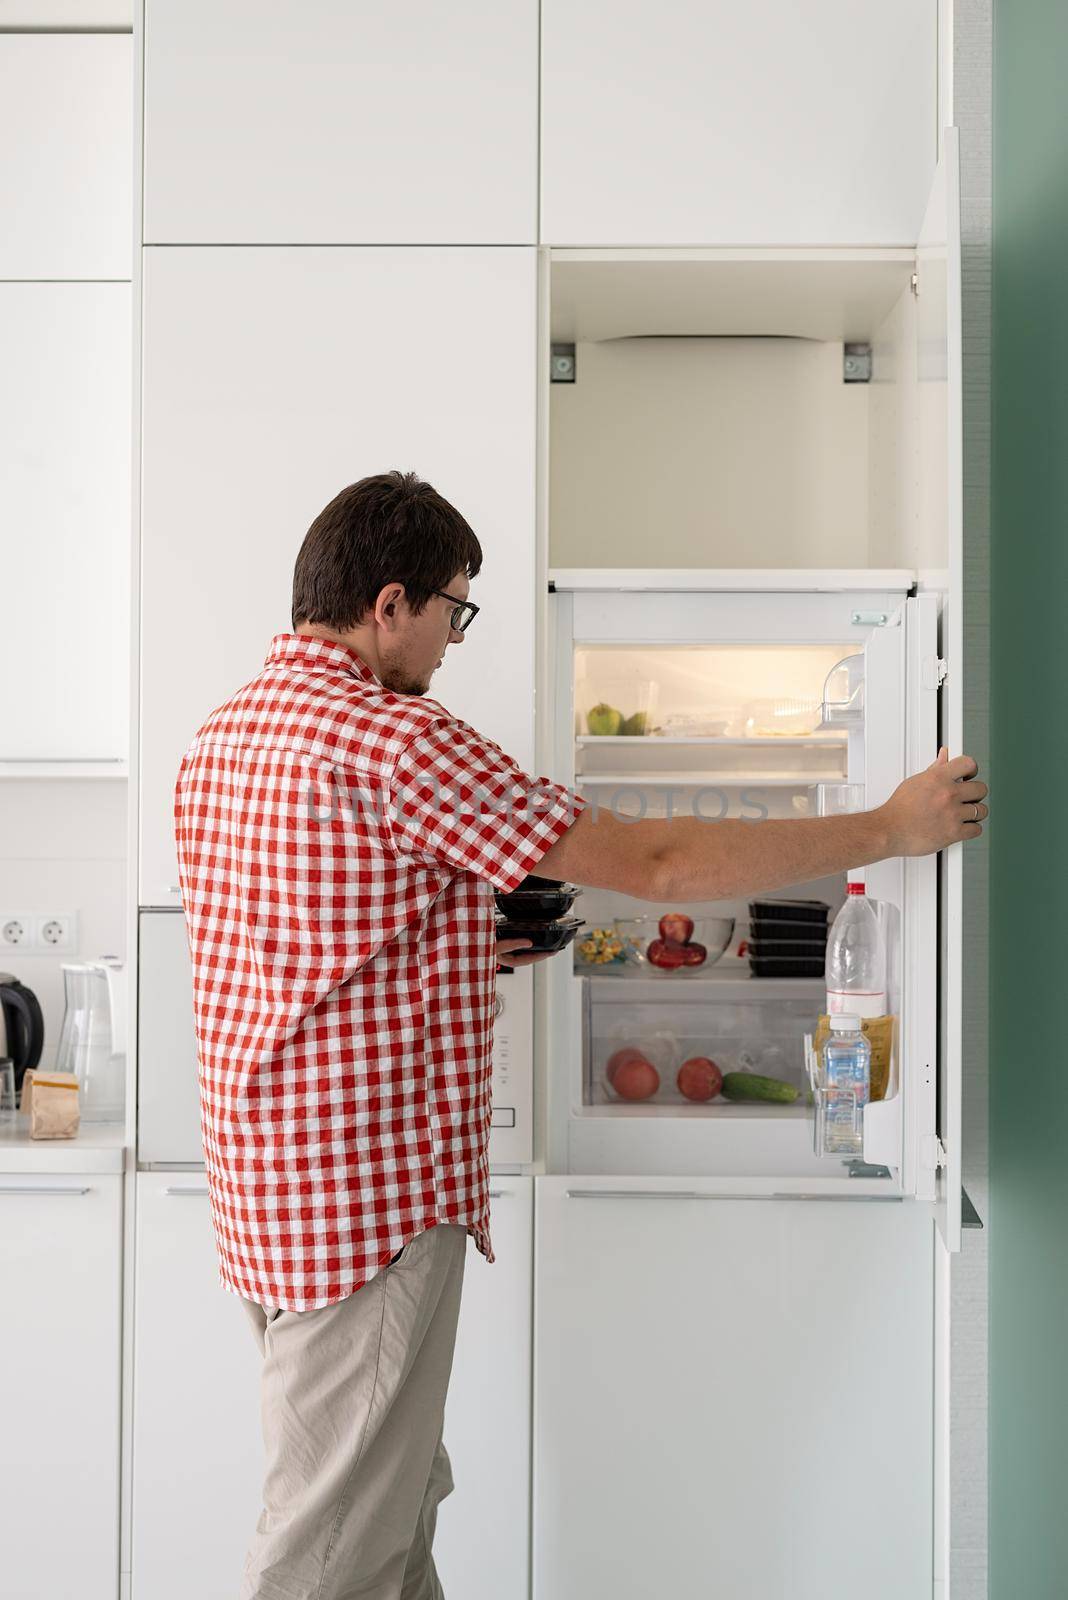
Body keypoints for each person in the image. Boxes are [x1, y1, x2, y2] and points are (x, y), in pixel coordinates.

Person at [173, 470, 987, 1600]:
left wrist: (465, 944)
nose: (456, 640)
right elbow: (654, 865)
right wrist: (891, 825)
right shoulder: (397, 742)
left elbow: (301, 942)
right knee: (325, 1555)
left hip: (272, 1197)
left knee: (389, 1511)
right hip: (369, 1205)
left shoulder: (224, 737)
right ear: (391, 601)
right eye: (455, 610)